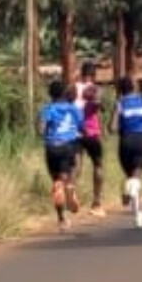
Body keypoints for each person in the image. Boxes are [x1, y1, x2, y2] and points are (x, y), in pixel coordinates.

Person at [109, 75, 142, 228]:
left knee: (131, 176)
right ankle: (137, 214)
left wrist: (121, 124)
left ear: (120, 89)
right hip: (141, 140)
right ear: (134, 87)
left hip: (126, 141)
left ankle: (137, 213)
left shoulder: (120, 104)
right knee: (136, 175)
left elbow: (112, 128)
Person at [38, 77, 84, 229]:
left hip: (51, 147)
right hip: (68, 146)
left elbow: (41, 129)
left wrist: (46, 132)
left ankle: (62, 219)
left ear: (50, 94)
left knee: (56, 181)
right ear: (65, 93)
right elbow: (81, 126)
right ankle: (70, 187)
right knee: (74, 167)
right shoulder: (73, 109)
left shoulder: (48, 109)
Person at [73, 60, 106, 216]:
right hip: (92, 132)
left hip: (76, 132)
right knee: (98, 165)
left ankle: (71, 192)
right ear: (94, 75)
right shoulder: (95, 88)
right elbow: (99, 104)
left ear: (82, 73)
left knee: (77, 166)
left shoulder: (73, 88)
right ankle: (96, 203)